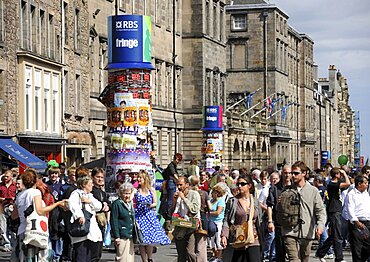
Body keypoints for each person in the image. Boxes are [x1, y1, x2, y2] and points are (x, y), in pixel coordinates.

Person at [10, 168, 67, 261]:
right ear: (36, 180)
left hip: (22, 231)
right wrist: (57, 204)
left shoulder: (19, 196)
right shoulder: (35, 192)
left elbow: (13, 216)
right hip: (35, 232)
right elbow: (40, 210)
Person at [282, 161, 326, 262]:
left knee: (304, 259)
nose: (293, 175)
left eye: (296, 173)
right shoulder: (287, 190)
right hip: (289, 231)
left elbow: (320, 211)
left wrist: (320, 225)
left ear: (304, 173)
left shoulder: (313, 191)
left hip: (307, 232)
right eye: (292, 173)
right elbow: (279, 210)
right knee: (294, 259)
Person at [221, 174, 263, 262]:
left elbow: (259, 220)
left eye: (242, 184)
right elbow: (226, 220)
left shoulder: (255, 201)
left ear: (249, 186)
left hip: (253, 238)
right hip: (238, 238)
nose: (239, 186)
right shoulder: (232, 201)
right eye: (238, 184)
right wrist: (224, 235)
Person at [134, 171, 170, 262]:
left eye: (140, 178)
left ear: (145, 179)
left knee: (149, 240)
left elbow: (155, 203)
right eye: (138, 178)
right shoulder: (136, 190)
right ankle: (144, 260)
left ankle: (150, 258)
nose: (138, 179)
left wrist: (149, 205)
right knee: (141, 240)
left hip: (148, 215)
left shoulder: (151, 190)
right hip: (139, 216)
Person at [316, 168, 350, 262]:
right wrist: (344, 174)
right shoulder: (332, 184)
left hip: (337, 210)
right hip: (334, 210)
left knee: (333, 235)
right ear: (336, 175)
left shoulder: (335, 184)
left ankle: (321, 252)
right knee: (338, 235)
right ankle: (339, 258)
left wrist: (342, 174)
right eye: (339, 174)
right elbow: (348, 183)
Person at [68, 175, 102, 262]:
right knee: (81, 255)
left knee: (92, 255)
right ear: (84, 185)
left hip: (92, 229)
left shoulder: (90, 195)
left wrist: (89, 201)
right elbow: (73, 205)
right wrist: (80, 215)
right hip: (81, 230)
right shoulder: (76, 193)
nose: (92, 186)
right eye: (90, 184)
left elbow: (99, 206)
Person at [171, 176, 201, 262]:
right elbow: (172, 213)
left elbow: (195, 209)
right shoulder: (177, 195)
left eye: (181, 185)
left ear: (187, 184)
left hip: (190, 227)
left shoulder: (194, 194)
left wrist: (184, 198)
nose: (179, 187)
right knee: (181, 254)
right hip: (179, 227)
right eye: (177, 185)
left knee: (190, 252)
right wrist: (174, 201)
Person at [343, 174, 370, 262]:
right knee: (357, 247)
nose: (367, 184)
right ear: (359, 184)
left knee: (367, 246)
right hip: (356, 224)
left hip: (367, 222)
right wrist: (356, 221)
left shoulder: (366, 194)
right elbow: (350, 209)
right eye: (365, 183)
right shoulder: (351, 194)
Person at [266, 165, 289, 262]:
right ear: (282, 173)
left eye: (289, 173)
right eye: (285, 173)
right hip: (279, 223)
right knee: (280, 250)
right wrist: (270, 221)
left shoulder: (295, 187)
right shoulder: (275, 188)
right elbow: (270, 205)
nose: (287, 175)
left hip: (293, 224)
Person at [110, 182, 136, 262]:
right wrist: (116, 236)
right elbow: (114, 221)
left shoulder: (130, 204)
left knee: (130, 258)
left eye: (129, 193)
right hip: (121, 235)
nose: (127, 196)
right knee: (122, 258)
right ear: (121, 193)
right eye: (125, 193)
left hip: (130, 235)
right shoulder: (116, 204)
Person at [91, 167, 110, 262]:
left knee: (99, 247)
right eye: (97, 177)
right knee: (93, 248)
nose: (100, 179)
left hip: (101, 222)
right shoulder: (91, 191)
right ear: (92, 177)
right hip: (93, 221)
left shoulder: (103, 192)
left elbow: (108, 204)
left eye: (101, 177)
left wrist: (107, 206)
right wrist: (103, 206)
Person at [161, 153, 183, 229]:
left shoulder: (174, 165)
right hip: (171, 183)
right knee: (170, 200)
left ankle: (169, 215)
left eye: (179, 160)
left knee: (172, 200)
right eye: (177, 159)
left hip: (172, 183)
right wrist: (179, 180)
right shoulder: (171, 165)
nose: (177, 161)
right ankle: (168, 215)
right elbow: (174, 174)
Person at [207, 185, 226, 262]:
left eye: (213, 192)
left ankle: (219, 256)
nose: (212, 194)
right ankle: (215, 254)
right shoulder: (211, 200)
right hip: (211, 221)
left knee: (218, 238)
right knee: (211, 240)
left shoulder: (221, 201)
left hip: (218, 221)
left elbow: (218, 212)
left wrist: (209, 213)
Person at [0, 170, 17, 251]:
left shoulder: (15, 185)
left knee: (13, 226)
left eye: (7, 176)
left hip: (12, 207)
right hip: (2, 207)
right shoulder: (1, 185)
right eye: (4, 176)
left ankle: (14, 243)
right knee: (3, 226)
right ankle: (6, 244)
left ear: (11, 176)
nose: (5, 178)